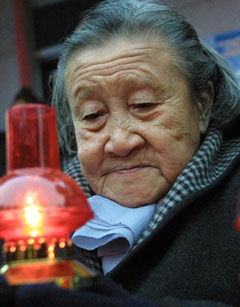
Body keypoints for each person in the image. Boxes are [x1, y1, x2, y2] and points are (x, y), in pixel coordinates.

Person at [1, 0, 240, 306]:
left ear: (202, 104)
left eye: (144, 105)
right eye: (92, 115)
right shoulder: (29, 217)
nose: (120, 142)